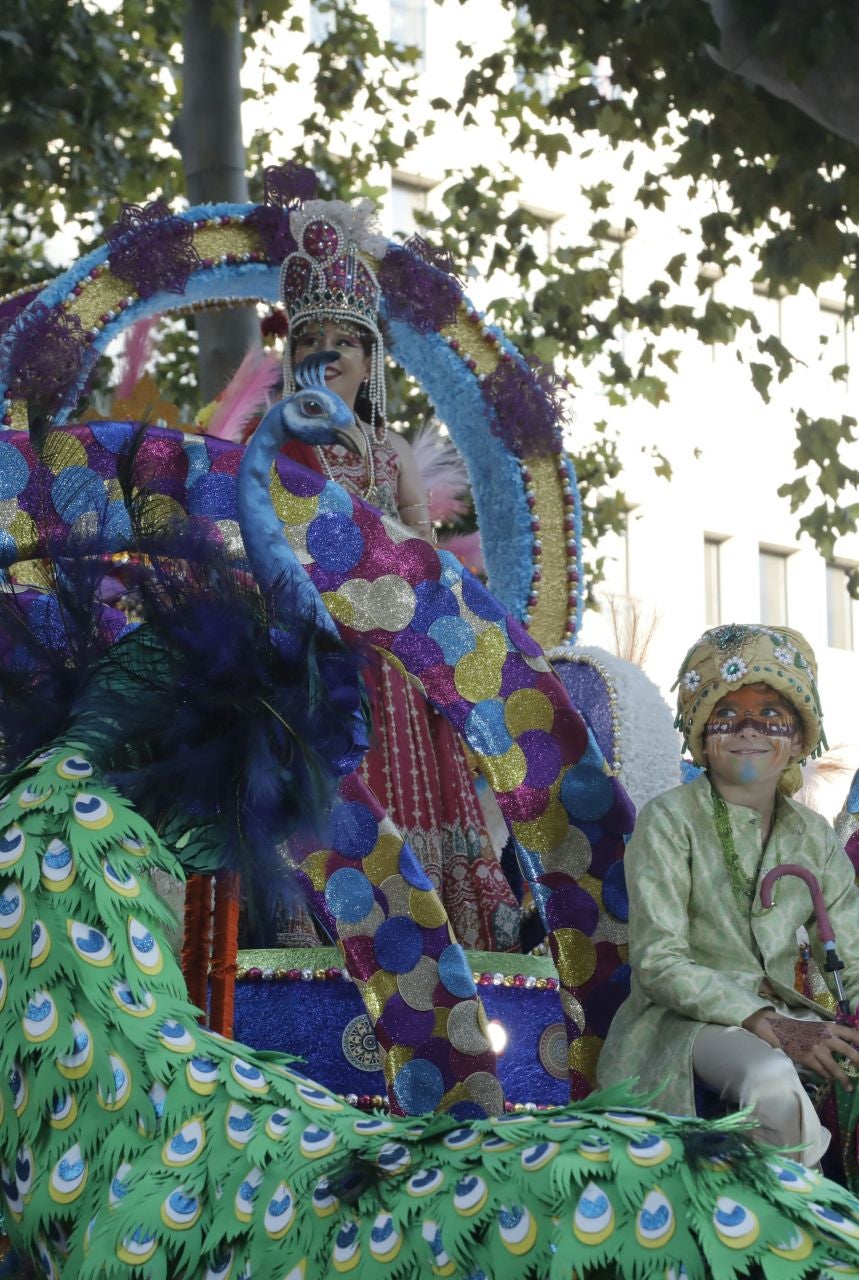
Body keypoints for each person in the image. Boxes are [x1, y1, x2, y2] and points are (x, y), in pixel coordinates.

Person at [598, 623, 859, 1222]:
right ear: (700, 735)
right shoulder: (668, 821)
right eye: (727, 715)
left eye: (770, 716)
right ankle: (802, 1241)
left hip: (792, 1023)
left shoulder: (811, 836)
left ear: (798, 738)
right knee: (770, 1078)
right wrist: (770, 1025)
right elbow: (661, 963)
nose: (748, 730)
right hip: (684, 1025)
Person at [271, 199, 521, 951]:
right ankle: (321, 930)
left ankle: (422, 928)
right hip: (313, 649)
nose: (328, 353)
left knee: (406, 788)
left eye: (345, 340)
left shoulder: (391, 451)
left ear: (371, 357)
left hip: (391, 653)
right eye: (310, 339)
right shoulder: (275, 444)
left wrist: (397, 577)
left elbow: (424, 549)